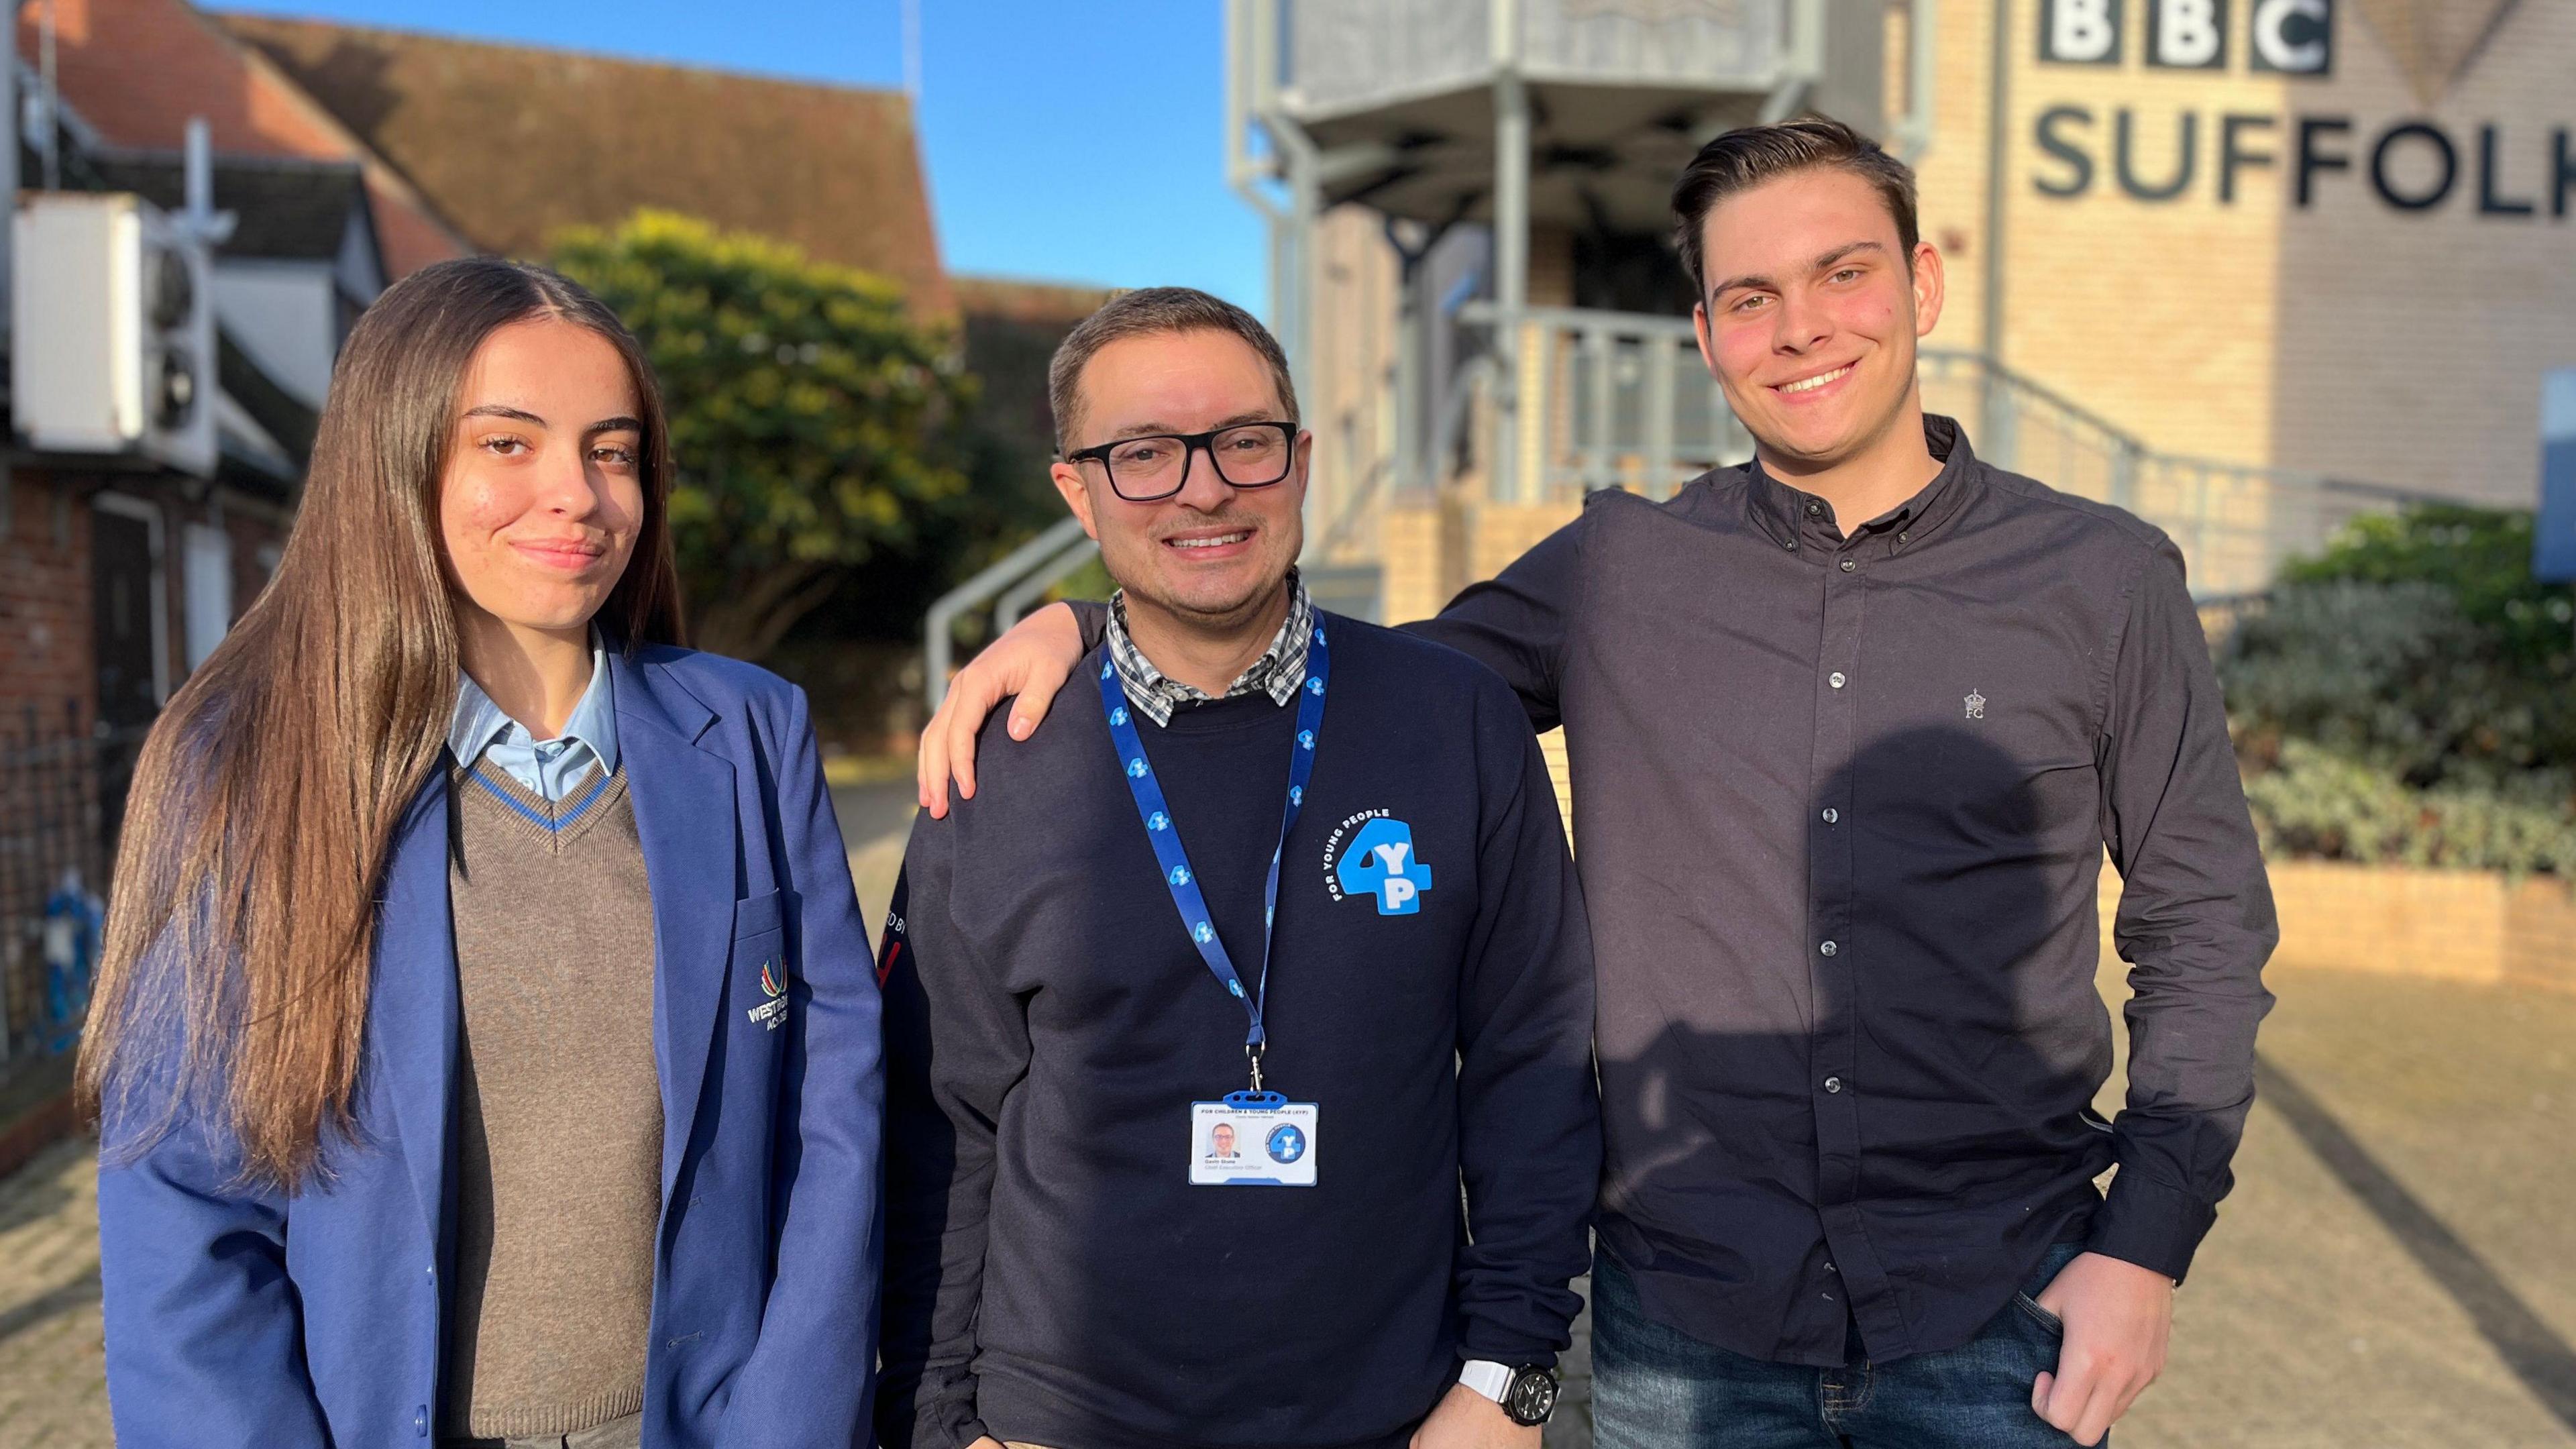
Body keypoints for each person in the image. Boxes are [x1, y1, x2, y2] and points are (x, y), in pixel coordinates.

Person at [914, 122, 2279, 1449]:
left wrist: (2144, 1248)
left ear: (1921, 284)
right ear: (1705, 336)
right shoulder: (1618, 569)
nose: (1800, 327)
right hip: (1686, 1334)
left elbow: (2203, 924)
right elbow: (1317, 678)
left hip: (2001, 1314)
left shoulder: (2102, 580)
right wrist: (1098, 624)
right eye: (1750, 296)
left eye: (1843, 273)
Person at [80, 257, 885, 1449]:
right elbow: (182, 1213)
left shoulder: (752, 731)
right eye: (507, 444)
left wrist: (789, 1423)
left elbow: (840, 1112)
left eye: (612, 451)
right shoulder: (248, 764)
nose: (577, 494)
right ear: (396, 459)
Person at [875, 288, 1599, 1449]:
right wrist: (940, 1420)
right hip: (1058, 1422)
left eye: (1242, 443)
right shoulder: (991, 762)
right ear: (1078, 488)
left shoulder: (1453, 721)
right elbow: (937, 1128)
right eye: (1143, 454)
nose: (1204, 487)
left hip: (1395, 1418)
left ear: (1300, 461)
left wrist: (1509, 1373)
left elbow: (1535, 1063)